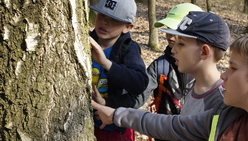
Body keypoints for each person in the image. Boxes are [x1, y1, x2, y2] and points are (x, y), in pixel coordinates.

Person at [91, 12, 248, 141]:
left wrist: (116, 113)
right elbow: (174, 125)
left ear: (204, 52)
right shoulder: (223, 109)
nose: (173, 50)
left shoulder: (224, 104)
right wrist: (113, 110)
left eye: (181, 44)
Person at [89, 0, 149, 140]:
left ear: (127, 27)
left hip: (114, 126)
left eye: (114, 20)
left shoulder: (128, 49)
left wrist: (105, 62)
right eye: (101, 15)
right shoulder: (83, 41)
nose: (105, 22)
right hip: (83, 121)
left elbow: (139, 83)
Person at [145, 3, 202, 141]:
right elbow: (139, 93)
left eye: (176, 28)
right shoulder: (160, 66)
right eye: (168, 28)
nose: (170, 33)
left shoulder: (204, 70)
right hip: (164, 135)